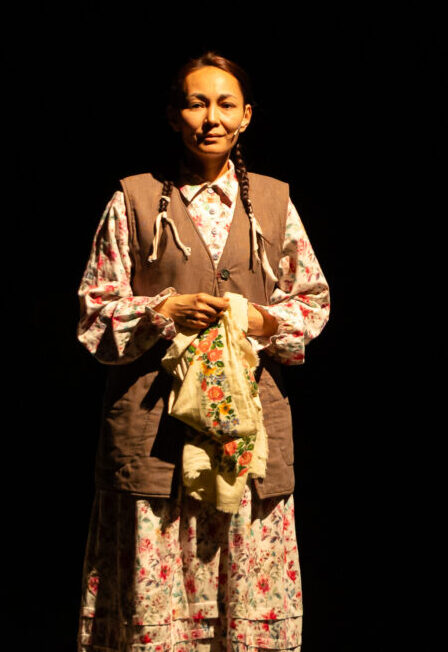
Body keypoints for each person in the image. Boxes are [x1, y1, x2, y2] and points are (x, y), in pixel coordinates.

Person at [76, 51, 330, 652]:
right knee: (155, 605)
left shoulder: (273, 203)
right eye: (196, 103)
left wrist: (260, 319)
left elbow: (313, 301)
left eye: (224, 104)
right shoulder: (135, 200)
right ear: (174, 115)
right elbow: (93, 312)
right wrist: (163, 311)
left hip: (246, 434)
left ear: (246, 116)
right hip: (154, 434)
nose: (211, 118)